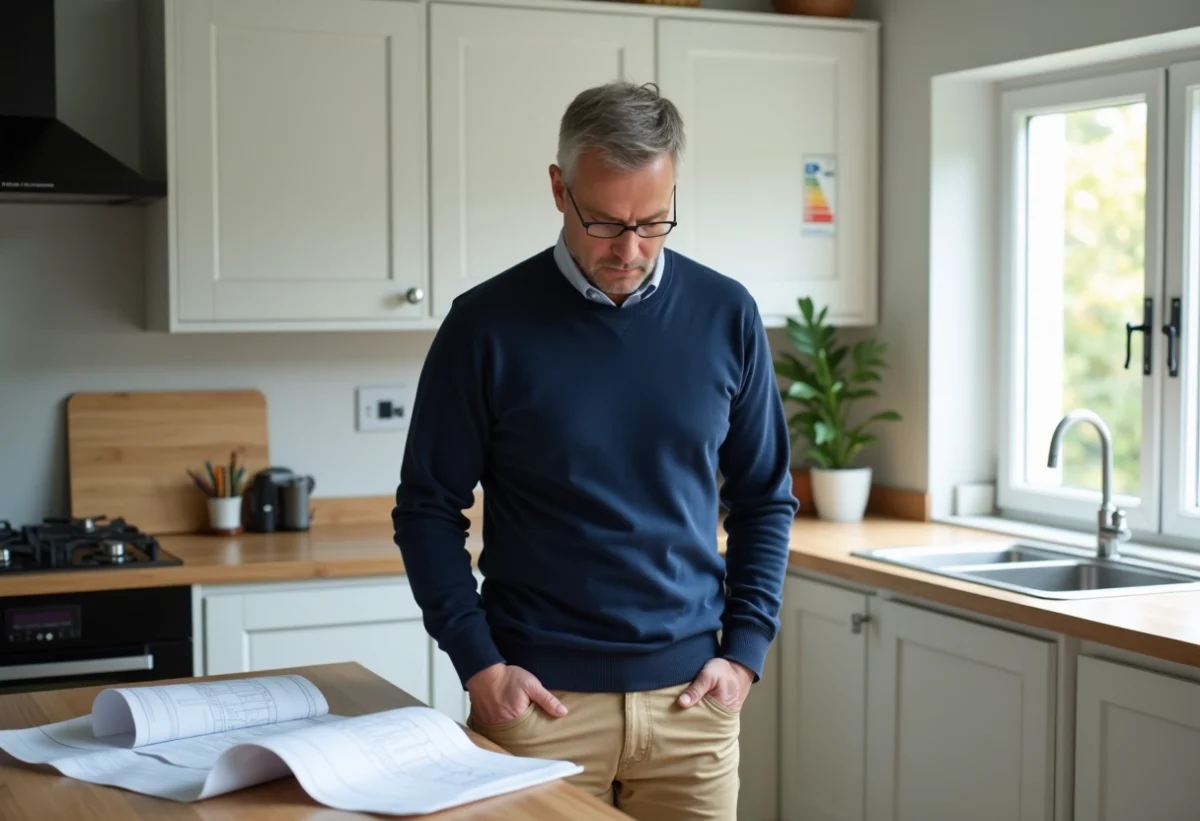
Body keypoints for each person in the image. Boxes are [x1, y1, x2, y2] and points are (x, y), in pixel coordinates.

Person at [392, 80, 797, 821]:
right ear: (558, 188)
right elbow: (426, 508)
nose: (631, 249)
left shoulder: (727, 314)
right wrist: (480, 666)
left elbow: (766, 497)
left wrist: (744, 652)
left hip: (692, 710)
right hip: (538, 706)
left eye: (654, 222)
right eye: (606, 223)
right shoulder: (485, 326)